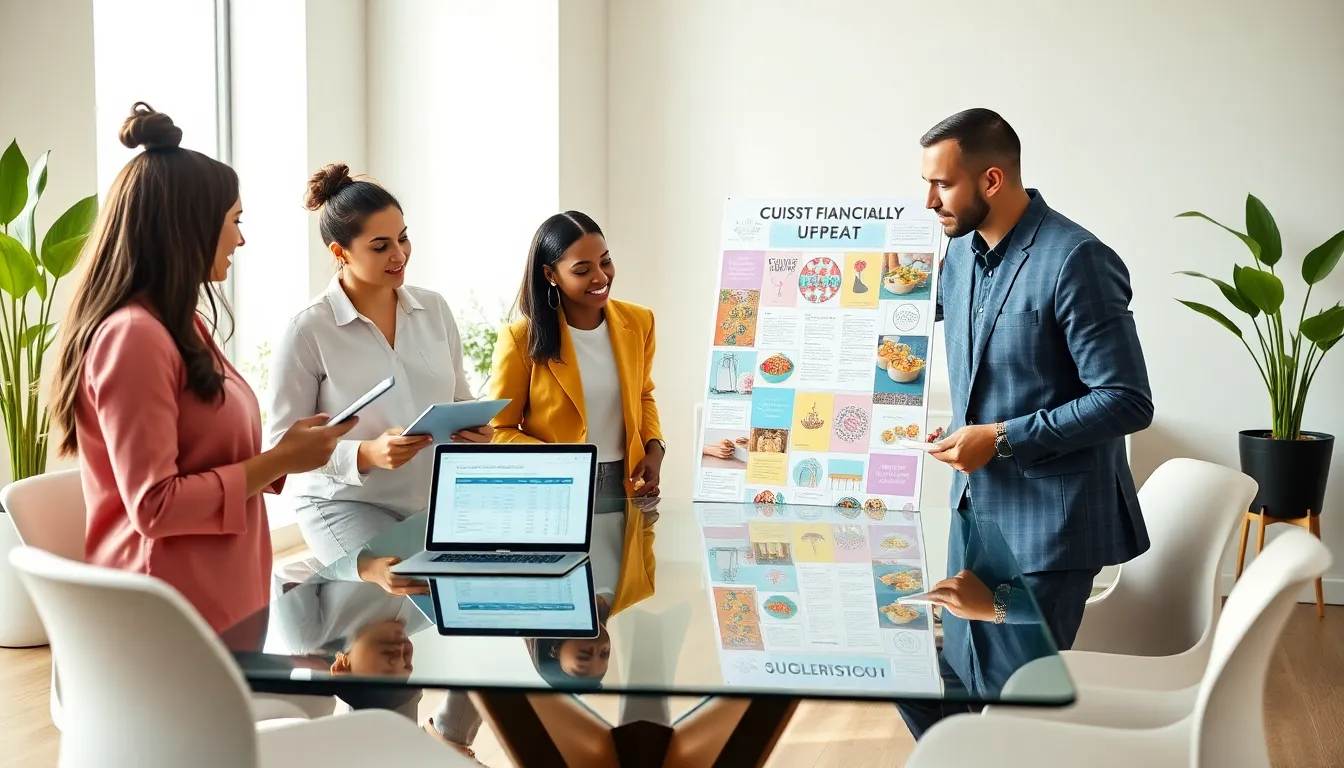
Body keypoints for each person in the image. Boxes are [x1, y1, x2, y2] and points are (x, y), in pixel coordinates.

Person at [49, 103, 356, 634]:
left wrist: (288, 459)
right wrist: (279, 458)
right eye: (234, 221)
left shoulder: (179, 325)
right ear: (187, 227)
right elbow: (156, 506)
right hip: (171, 621)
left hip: (214, 601)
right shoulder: (135, 338)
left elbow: (201, 457)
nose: (241, 238)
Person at [898, 108, 1154, 737]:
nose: (928, 201)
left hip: (1052, 531)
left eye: (942, 184)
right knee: (929, 678)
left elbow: (1126, 399)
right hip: (972, 517)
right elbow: (892, 317)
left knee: (1012, 707)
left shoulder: (1077, 259)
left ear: (991, 180)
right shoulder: (960, 256)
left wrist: (1004, 436)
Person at [264, 163, 492, 569]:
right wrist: (365, 454)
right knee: (398, 583)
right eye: (380, 245)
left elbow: (459, 397)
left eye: (403, 239)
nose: (399, 255)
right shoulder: (308, 329)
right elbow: (283, 446)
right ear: (340, 252)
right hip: (345, 505)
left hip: (432, 500)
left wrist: (477, 429)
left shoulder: (434, 309)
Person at [489, 212, 666, 511]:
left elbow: (642, 394)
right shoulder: (521, 339)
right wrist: (561, 464)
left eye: (605, 261)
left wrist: (655, 447)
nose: (600, 277)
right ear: (550, 275)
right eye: (582, 270)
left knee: (626, 559)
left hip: (628, 484)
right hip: (553, 489)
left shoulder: (639, 322)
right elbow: (499, 429)